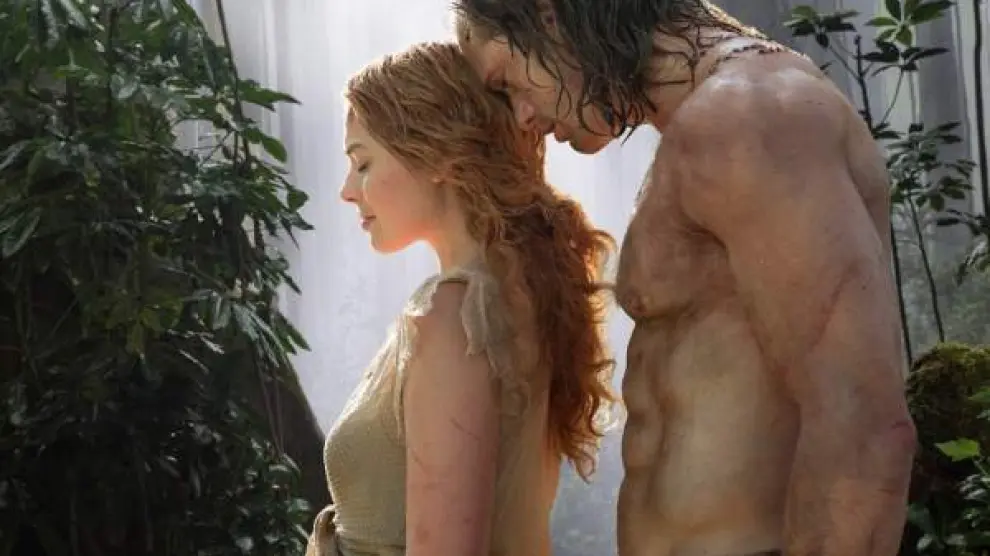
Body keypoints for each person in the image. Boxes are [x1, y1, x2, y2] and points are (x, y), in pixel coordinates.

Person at [454, 1, 917, 555]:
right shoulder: (715, 118)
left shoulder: (749, 116)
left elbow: (864, 431)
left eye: (506, 83)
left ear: (549, 15)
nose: (521, 117)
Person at [306, 41, 616, 556]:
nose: (346, 190)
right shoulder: (515, 293)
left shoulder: (457, 316)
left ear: (434, 156)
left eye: (362, 163)